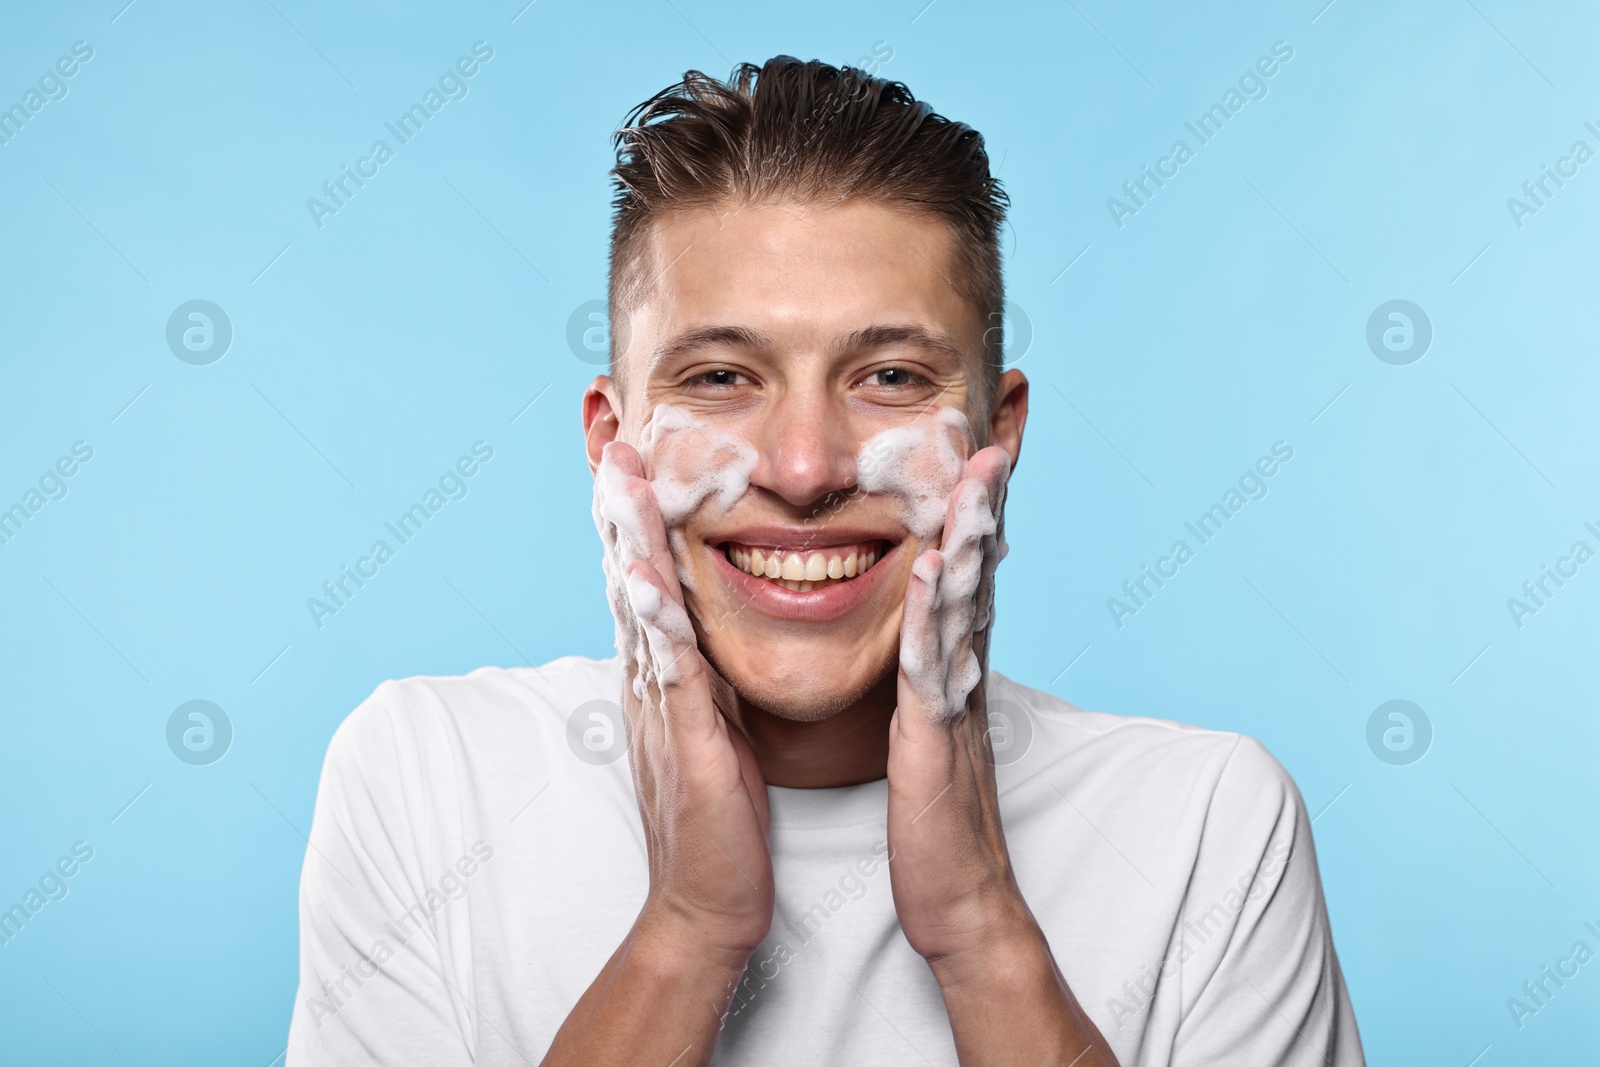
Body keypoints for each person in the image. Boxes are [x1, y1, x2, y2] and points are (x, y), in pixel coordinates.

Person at [287, 56, 1364, 1066]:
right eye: (718, 376)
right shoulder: (428, 778)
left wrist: (982, 925)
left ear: (1000, 431)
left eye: (889, 376)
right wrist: (688, 929)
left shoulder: (1208, 822)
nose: (805, 467)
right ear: (610, 444)